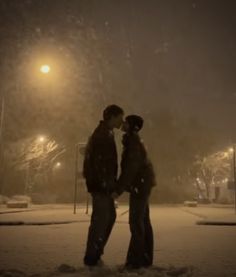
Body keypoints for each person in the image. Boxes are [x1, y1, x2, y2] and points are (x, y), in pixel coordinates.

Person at [83, 104, 124, 266]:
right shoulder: (102, 135)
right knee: (101, 221)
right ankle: (92, 257)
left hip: (102, 185)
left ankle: (95, 253)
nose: (122, 121)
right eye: (120, 117)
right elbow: (100, 165)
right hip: (101, 186)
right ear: (112, 117)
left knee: (107, 218)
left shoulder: (106, 133)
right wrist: (106, 185)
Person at [114, 115, 156, 269]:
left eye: (126, 122)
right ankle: (144, 259)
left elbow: (130, 170)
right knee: (143, 222)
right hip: (142, 185)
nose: (123, 124)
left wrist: (118, 189)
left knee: (136, 223)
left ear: (132, 126)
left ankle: (134, 262)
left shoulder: (133, 143)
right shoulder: (133, 140)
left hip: (140, 186)